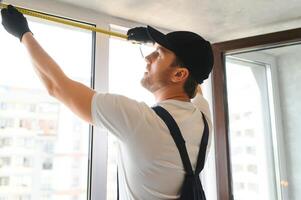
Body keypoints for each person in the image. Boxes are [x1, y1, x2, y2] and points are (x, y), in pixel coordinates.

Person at [1, 5, 214, 200]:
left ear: (179, 74)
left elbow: (56, 86)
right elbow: (195, 86)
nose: (147, 58)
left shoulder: (138, 120)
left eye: (158, 54)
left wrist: (23, 34)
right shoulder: (203, 119)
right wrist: (157, 45)